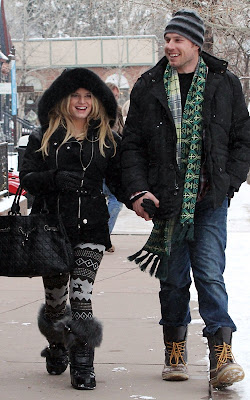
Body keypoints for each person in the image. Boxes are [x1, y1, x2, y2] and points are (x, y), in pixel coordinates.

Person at [121, 9, 250, 390]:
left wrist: (228, 183)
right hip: (166, 204)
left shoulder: (224, 83)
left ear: (195, 43)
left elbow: (242, 138)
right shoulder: (148, 86)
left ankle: (221, 356)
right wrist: (138, 192)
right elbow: (132, 148)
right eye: (167, 39)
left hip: (210, 202)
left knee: (210, 275)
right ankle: (174, 352)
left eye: (177, 40)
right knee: (174, 282)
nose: (170, 46)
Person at [19, 68, 125, 390]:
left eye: (88, 96)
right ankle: (56, 343)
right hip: (51, 227)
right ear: (63, 99)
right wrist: (54, 179)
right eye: (75, 96)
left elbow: (121, 180)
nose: (82, 102)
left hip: (91, 227)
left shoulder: (107, 136)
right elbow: (26, 177)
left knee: (81, 296)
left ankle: (83, 364)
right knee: (55, 300)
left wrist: (138, 198)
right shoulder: (43, 136)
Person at [103, 82, 124, 252]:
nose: (115, 99)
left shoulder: (117, 112)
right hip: (99, 163)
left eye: (117, 96)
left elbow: (123, 132)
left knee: (116, 200)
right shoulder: (96, 112)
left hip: (113, 163)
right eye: (112, 95)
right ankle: (103, 236)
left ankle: (104, 236)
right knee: (114, 199)